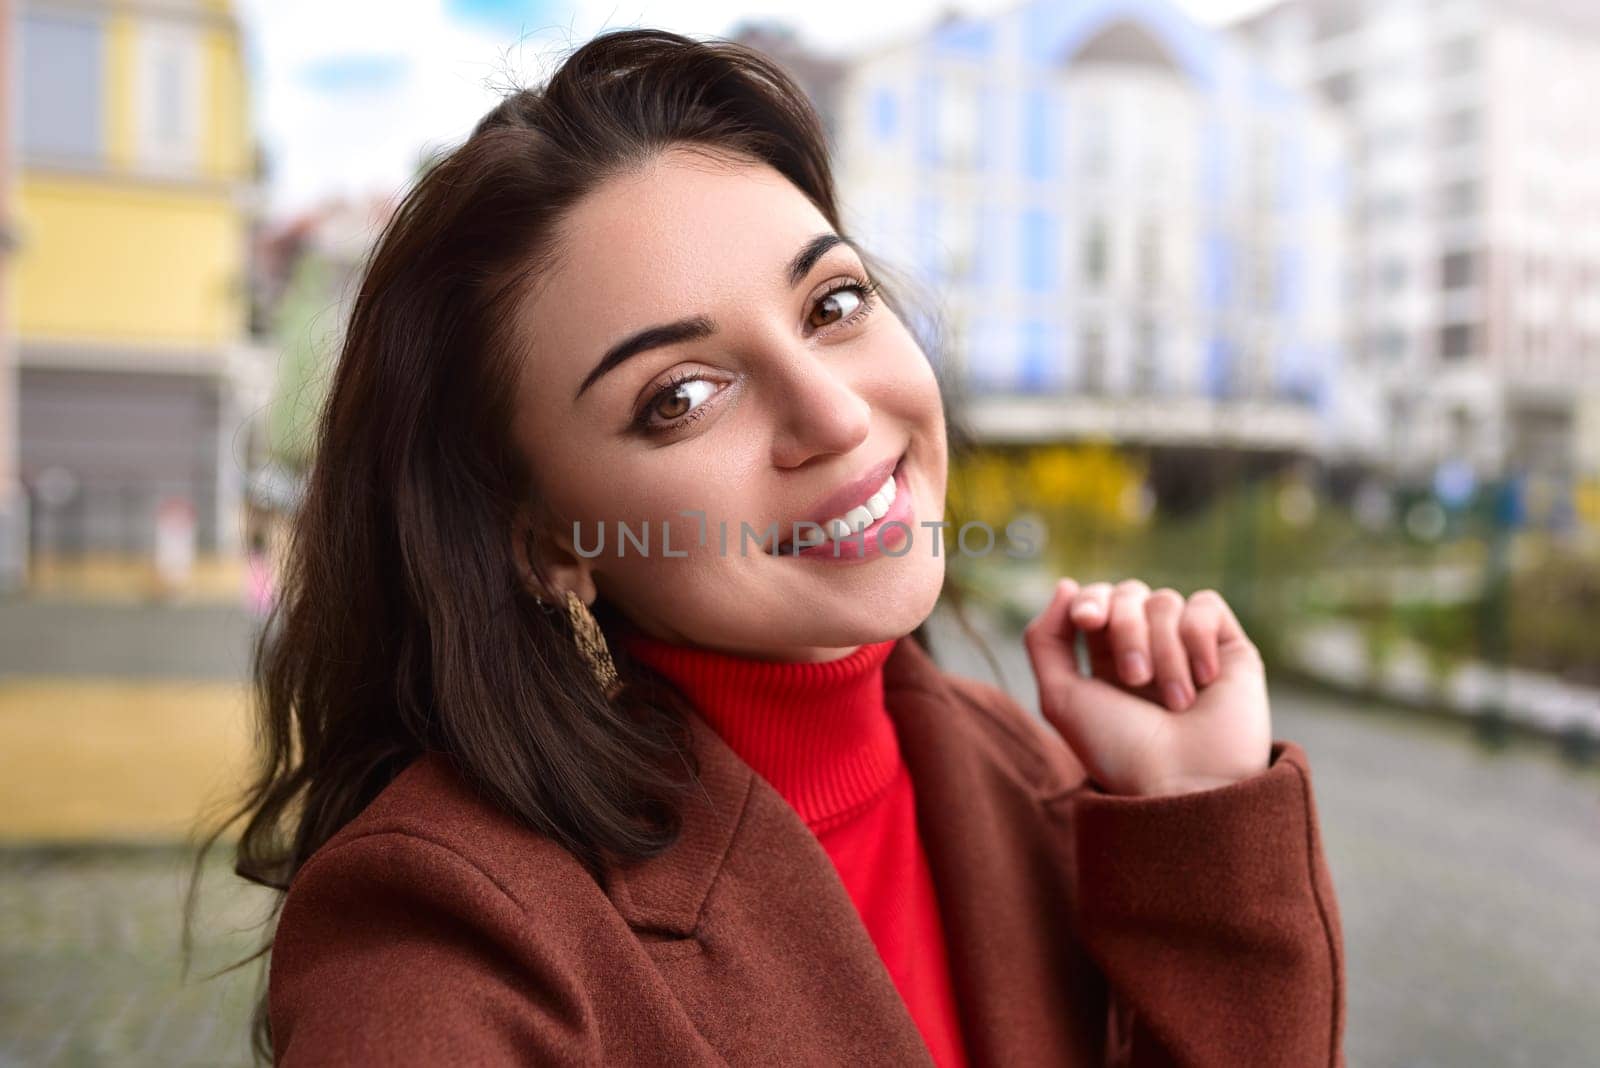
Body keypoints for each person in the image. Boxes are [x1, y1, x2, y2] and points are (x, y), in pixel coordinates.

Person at [190, 27, 1345, 1067]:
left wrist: (1199, 829)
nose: (836, 416)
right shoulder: (449, 936)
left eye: (833, 305)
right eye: (682, 394)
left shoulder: (1022, 778)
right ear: (542, 541)